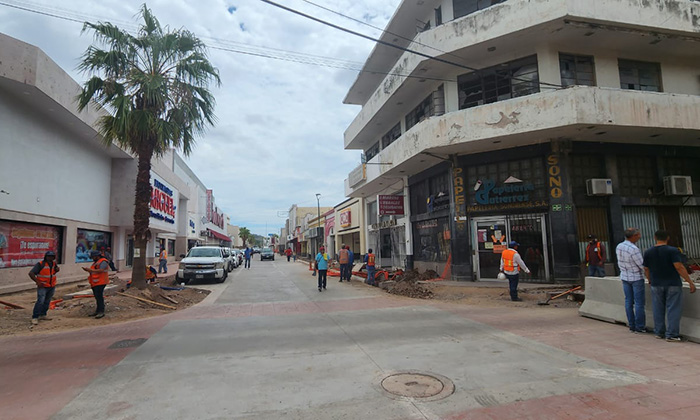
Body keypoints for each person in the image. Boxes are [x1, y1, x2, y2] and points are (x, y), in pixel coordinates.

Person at [643, 229, 696, 341]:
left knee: (658, 308)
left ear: (655, 238)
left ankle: (659, 332)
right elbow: (679, 266)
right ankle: (672, 334)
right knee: (673, 309)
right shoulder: (673, 251)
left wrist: (649, 280)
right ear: (668, 238)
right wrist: (690, 282)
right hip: (672, 283)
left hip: (656, 284)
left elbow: (646, 268)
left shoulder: (648, 252)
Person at [616, 228, 647, 333]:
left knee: (628, 301)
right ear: (634, 236)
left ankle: (632, 325)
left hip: (624, 276)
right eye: (638, 234)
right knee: (639, 303)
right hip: (636, 278)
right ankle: (640, 326)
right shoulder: (634, 249)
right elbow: (642, 265)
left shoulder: (619, 246)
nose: (639, 236)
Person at [28, 251, 60, 325]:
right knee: (40, 301)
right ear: (46, 257)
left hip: (51, 286)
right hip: (43, 286)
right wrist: (37, 282)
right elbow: (31, 273)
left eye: (52, 256)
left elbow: (52, 272)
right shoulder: (40, 264)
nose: (50, 258)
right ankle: (35, 317)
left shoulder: (54, 264)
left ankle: (43, 314)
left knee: (47, 301)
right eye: (49, 256)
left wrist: (57, 270)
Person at [81, 250, 110, 319]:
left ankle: (101, 311)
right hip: (95, 282)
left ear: (97, 256)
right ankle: (98, 311)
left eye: (93, 257)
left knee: (99, 297)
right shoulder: (96, 262)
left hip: (101, 282)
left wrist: (90, 270)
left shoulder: (103, 261)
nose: (92, 258)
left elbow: (101, 270)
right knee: (97, 297)